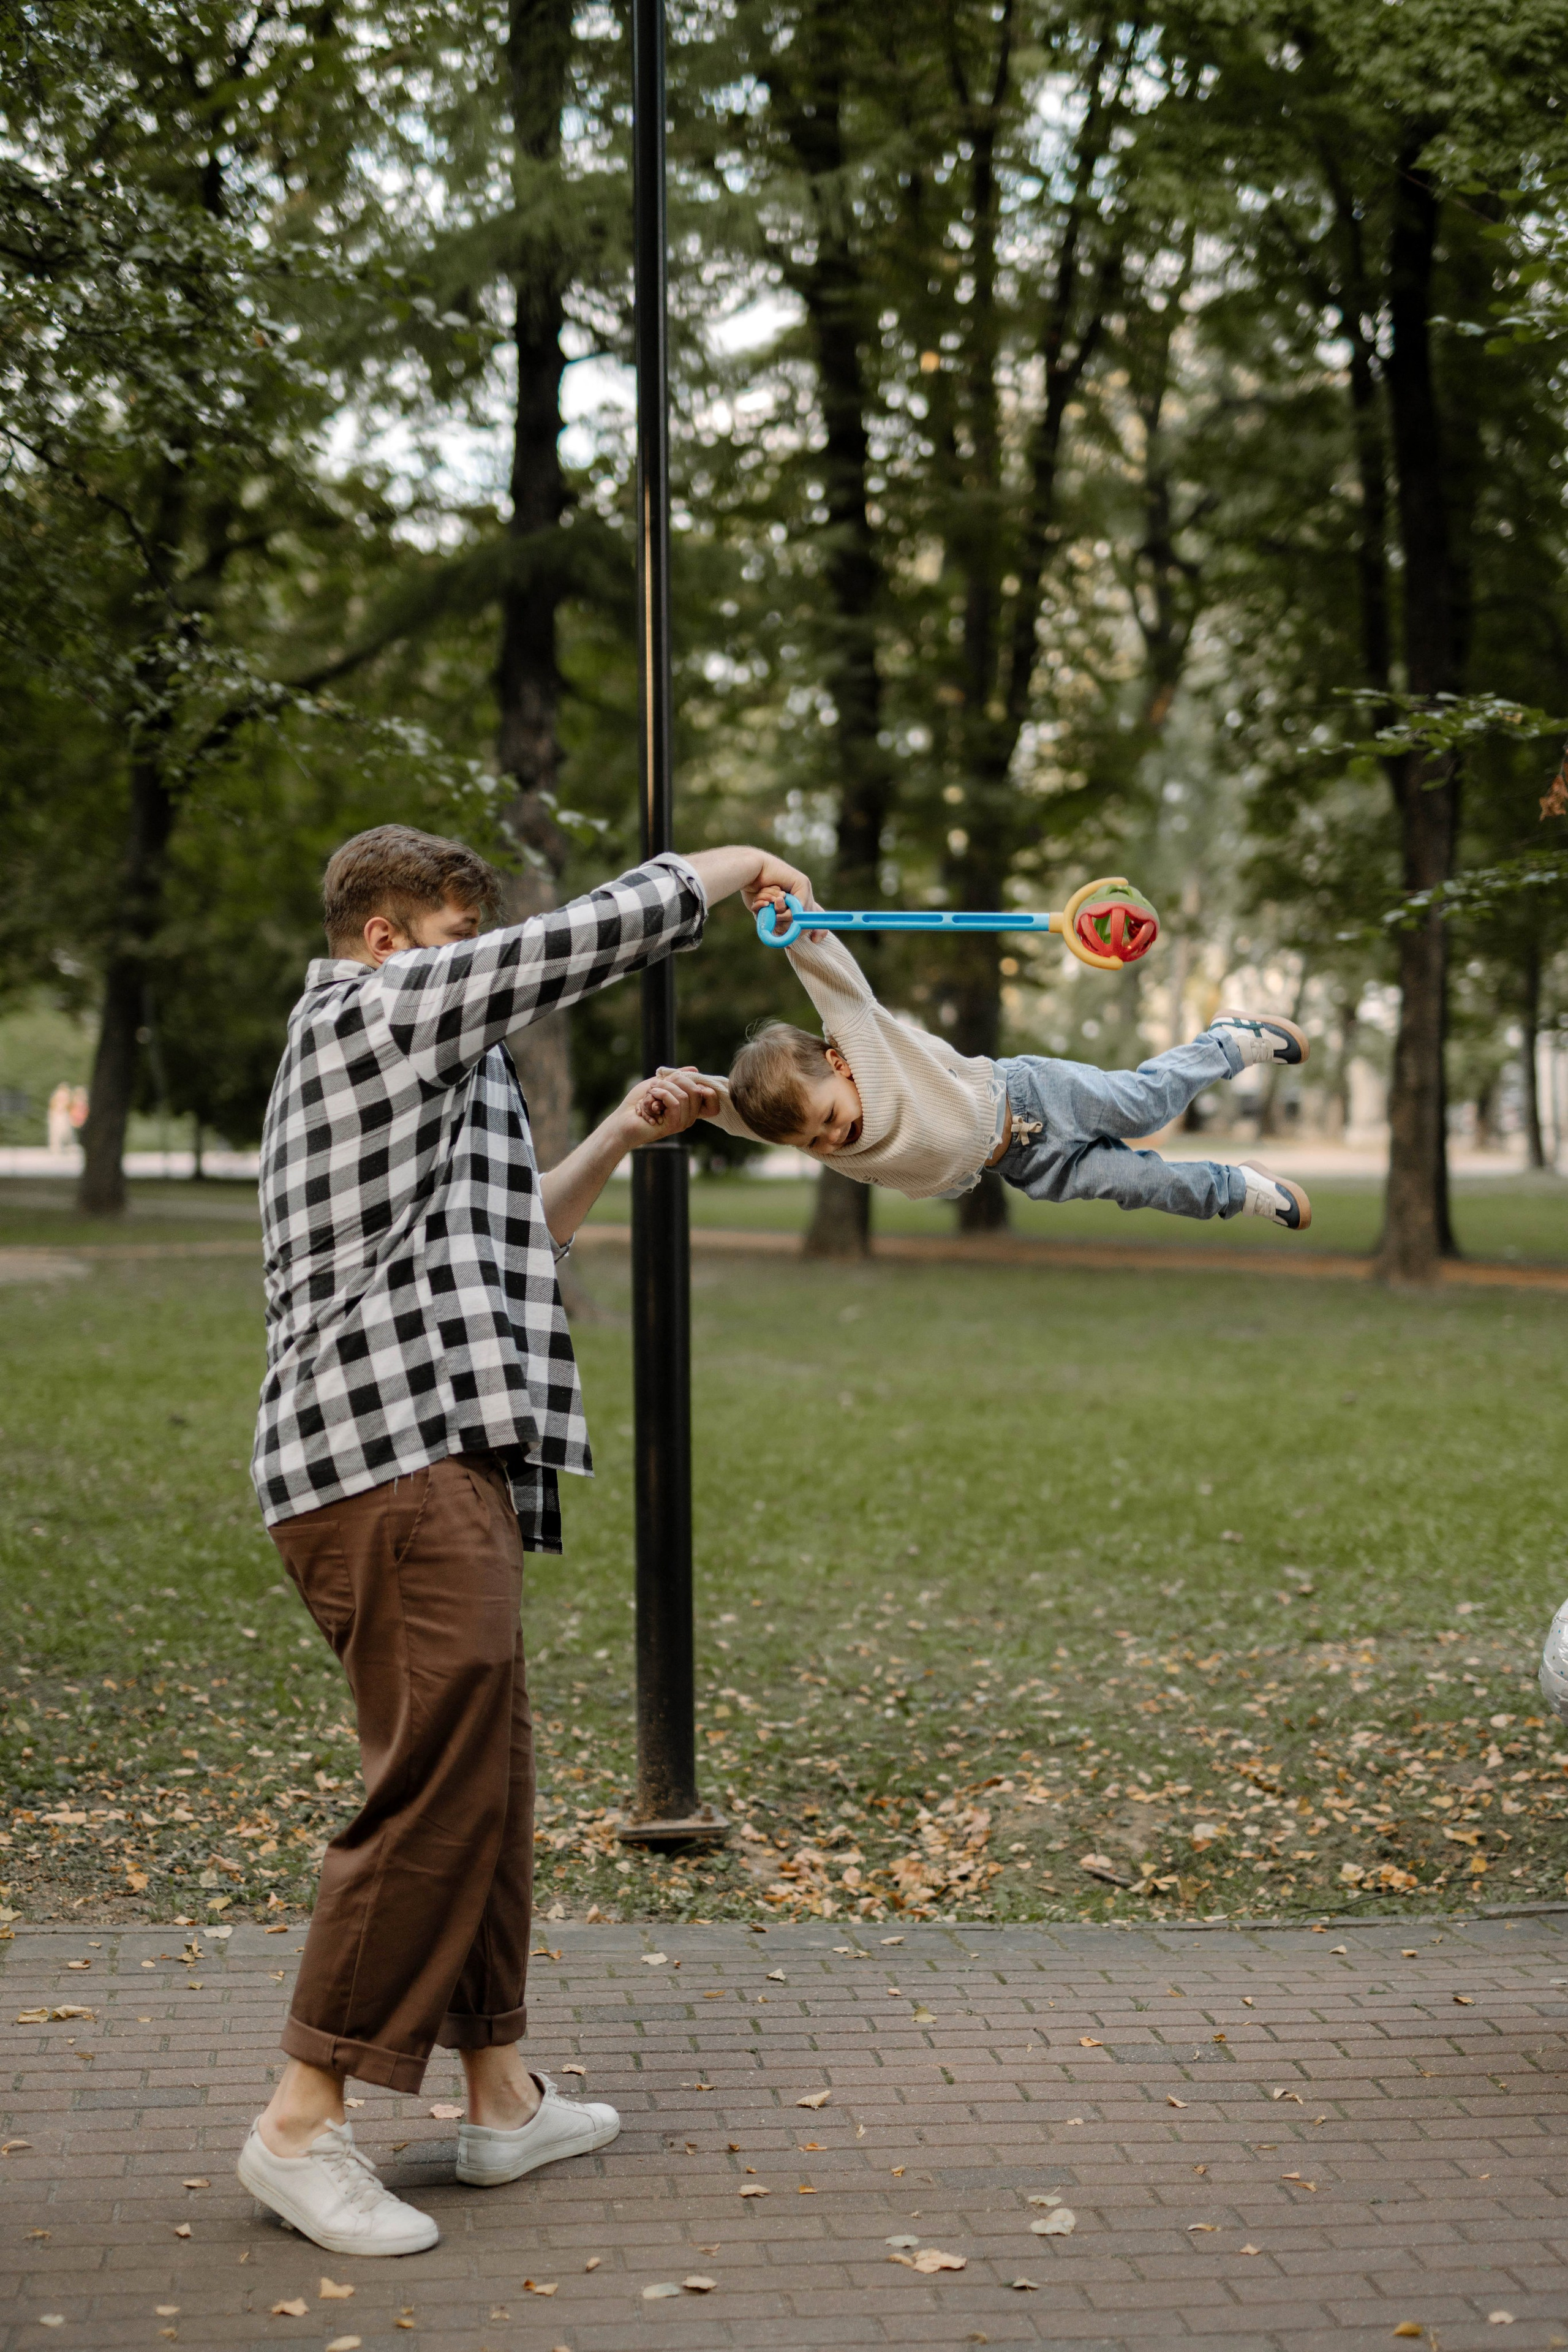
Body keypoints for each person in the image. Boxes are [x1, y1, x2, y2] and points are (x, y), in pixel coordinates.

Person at [239, 823, 814, 2258]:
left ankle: (499, 2093)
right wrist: (728, 864)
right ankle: (301, 2120)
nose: (470, 960)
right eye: (449, 931)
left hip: (434, 1464)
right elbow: (570, 948)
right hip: (388, 1465)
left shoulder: (433, 1069)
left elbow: (510, 1242)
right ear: (386, 933)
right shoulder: (372, 1009)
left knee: (484, 1780)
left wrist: (618, 1133)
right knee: (435, 1787)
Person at [697, 921, 1313, 1227]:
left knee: (1145, 1106)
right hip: (1023, 1163)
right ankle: (1235, 1188)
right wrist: (703, 1104)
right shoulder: (819, 1139)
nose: (828, 1141)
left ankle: (1227, 1044)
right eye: (811, 1141)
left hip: (1031, 1095)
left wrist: (794, 927)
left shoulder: (871, 1051)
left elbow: (839, 991)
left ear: (839, 1064)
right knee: (1136, 1185)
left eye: (828, 1118)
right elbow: (747, 1117)